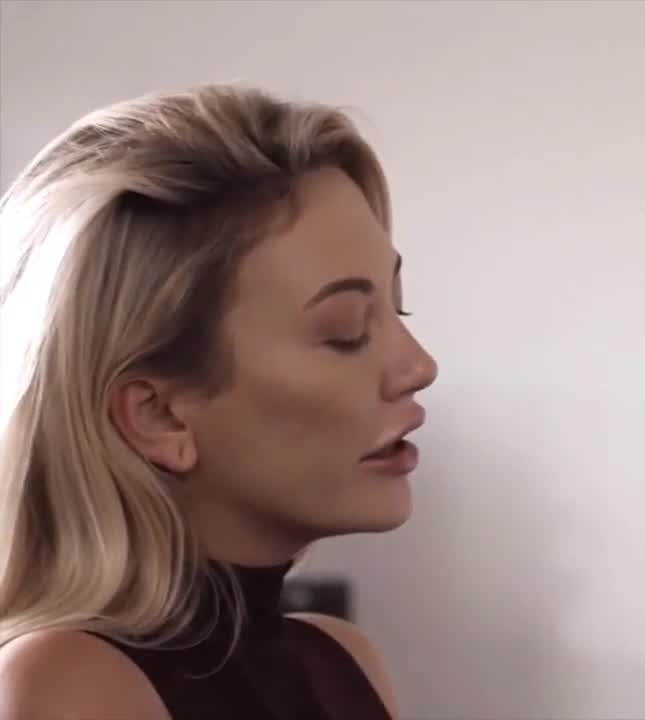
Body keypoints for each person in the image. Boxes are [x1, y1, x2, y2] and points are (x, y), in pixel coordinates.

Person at [0, 83, 437, 719]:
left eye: (399, 310)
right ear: (159, 415)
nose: (419, 367)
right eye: (346, 333)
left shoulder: (343, 660)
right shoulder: (67, 682)